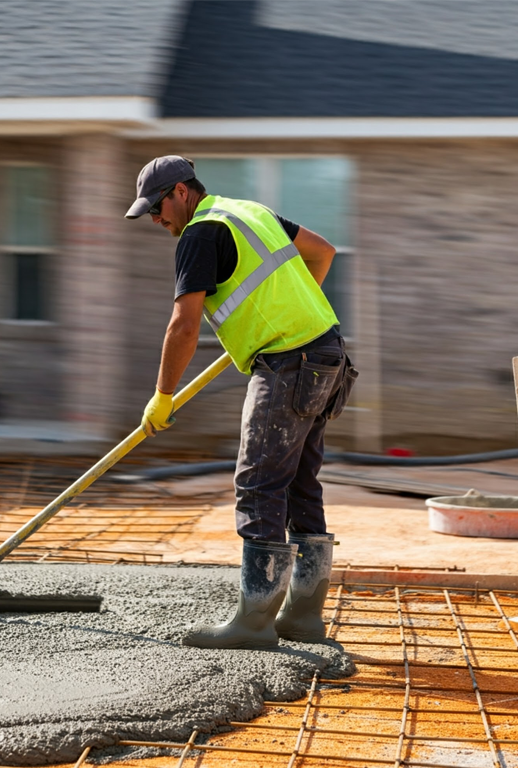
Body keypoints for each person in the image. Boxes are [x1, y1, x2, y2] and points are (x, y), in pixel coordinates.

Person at [125, 155, 358, 650]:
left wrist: (162, 397)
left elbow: (184, 325)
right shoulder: (248, 211)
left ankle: (254, 623)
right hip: (326, 354)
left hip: (288, 364)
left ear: (182, 192)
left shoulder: (199, 234)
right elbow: (324, 252)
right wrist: (286, 313)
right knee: (298, 483)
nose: (155, 219)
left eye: (158, 207)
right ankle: (304, 618)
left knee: (258, 483)